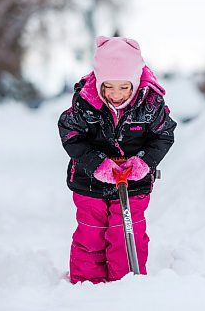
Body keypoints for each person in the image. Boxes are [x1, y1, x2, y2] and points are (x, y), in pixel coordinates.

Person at [58, 36, 176, 284]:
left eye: (124, 87)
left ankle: (125, 287)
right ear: (99, 81)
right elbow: (71, 134)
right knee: (91, 235)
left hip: (133, 183)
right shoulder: (86, 102)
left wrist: (143, 162)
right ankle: (87, 288)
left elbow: (163, 135)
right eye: (109, 87)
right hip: (90, 182)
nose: (116, 94)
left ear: (134, 81)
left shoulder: (150, 103)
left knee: (125, 234)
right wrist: (97, 164)